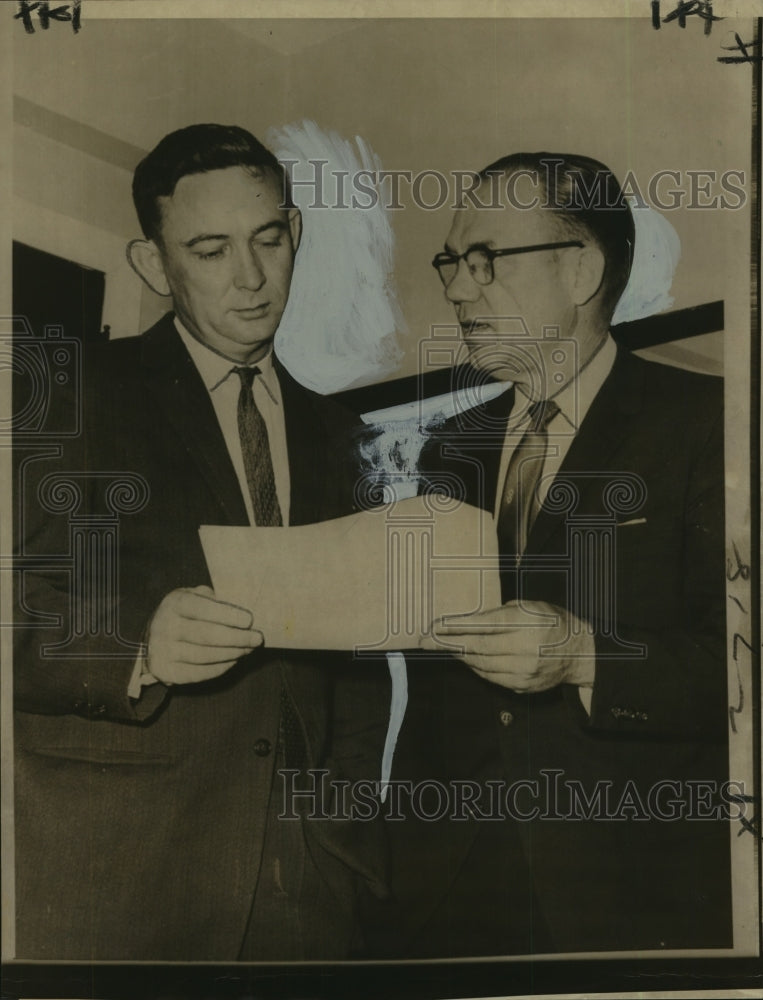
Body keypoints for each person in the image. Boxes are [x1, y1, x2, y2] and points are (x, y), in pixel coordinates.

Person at [13, 124, 387, 961]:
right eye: (210, 250)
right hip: (120, 878)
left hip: (307, 889)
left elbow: (358, 673)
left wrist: (344, 835)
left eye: (268, 239)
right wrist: (137, 648)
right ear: (152, 264)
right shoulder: (63, 392)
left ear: (295, 232)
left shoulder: (344, 437)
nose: (250, 277)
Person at [364, 152, 731, 956]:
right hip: (445, 885)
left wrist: (583, 656)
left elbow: (740, 664)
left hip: (628, 889)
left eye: (485, 259)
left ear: (579, 269)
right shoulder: (448, 449)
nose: (457, 289)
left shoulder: (714, 423)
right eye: (451, 263)